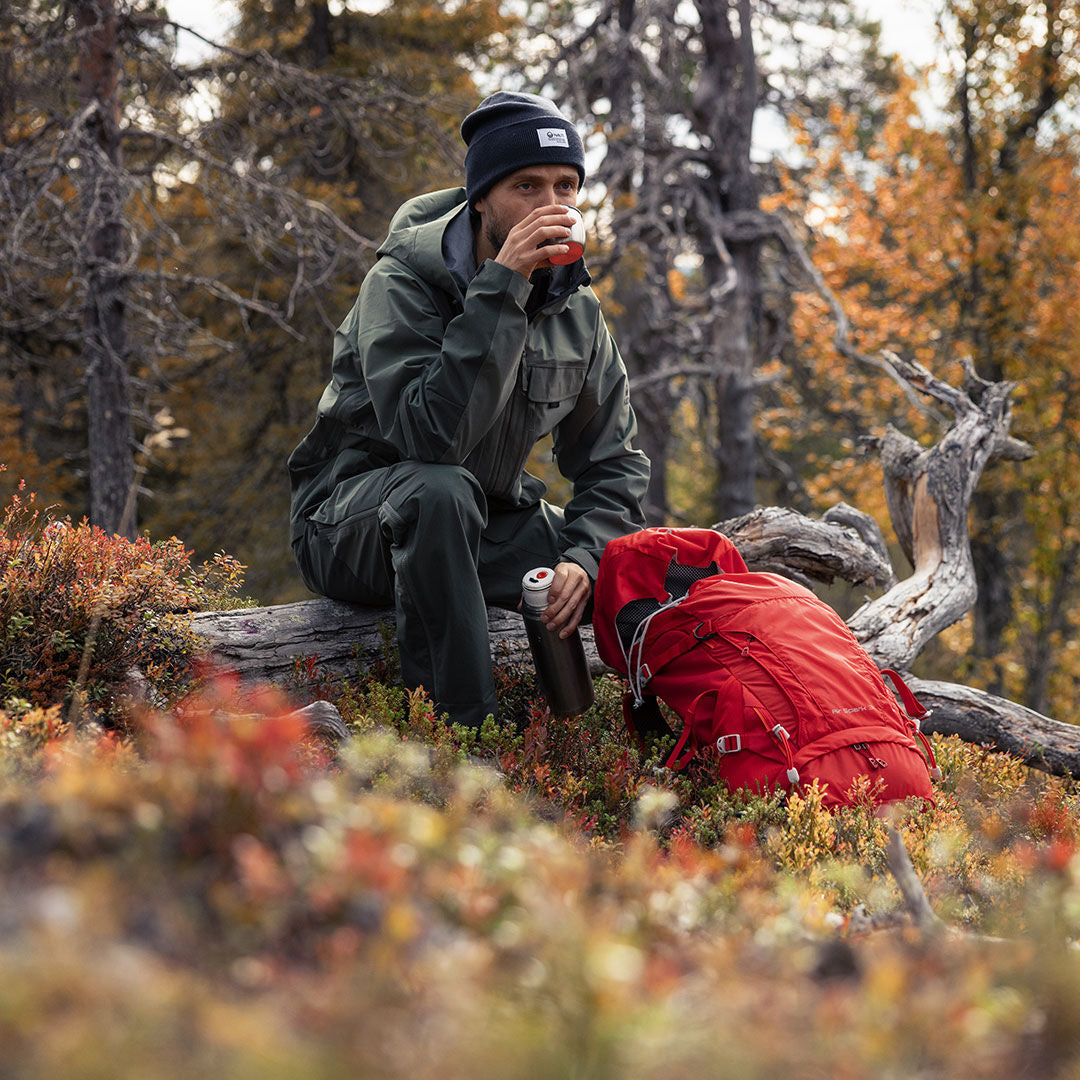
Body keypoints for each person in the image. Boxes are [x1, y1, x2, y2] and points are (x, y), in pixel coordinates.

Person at [287, 90, 650, 727]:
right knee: (439, 491)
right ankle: (459, 744)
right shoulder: (402, 283)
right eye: (526, 186)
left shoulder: (576, 309)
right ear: (481, 197)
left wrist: (583, 559)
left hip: (483, 520)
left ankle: (642, 739)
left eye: (566, 186)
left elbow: (613, 463)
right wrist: (502, 288)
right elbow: (432, 439)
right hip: (351, 528)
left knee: (638, 561)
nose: (551, 205)